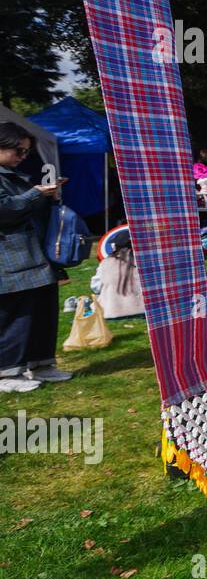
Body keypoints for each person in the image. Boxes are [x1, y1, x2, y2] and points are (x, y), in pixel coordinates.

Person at [0, 122, 73, 392]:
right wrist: (34, 195)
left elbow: (26, 210)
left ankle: (41, 364)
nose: (22, 157)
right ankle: (7, 372)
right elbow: (5, 211)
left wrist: (48, 196)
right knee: (16, 316)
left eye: (26, 152)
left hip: (33, 255)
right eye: (18, 150)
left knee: (43, 310)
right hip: (9, 258)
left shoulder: (12, 174)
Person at [90, 233, 144, 319]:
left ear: (115, 246)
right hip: (142, 309)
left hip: (111, 311)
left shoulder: (106, 263)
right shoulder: (144, 262)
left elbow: (95, 287)